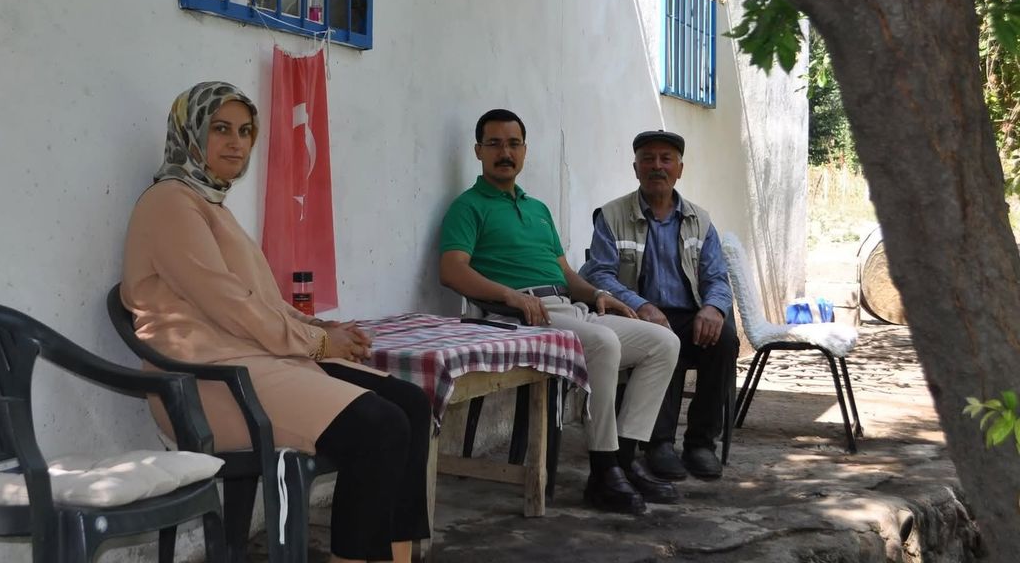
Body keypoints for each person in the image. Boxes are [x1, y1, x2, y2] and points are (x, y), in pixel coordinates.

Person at [121, 81, 430, 563]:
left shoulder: (212, 205)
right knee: (379, 427)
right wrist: (316, 345)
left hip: (254, 362)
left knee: (409, 402)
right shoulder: (170, 203)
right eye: (220, 129)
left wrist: (322, 333)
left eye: (245, 131)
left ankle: (399, 557)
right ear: (190, 133)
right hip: (206, 382)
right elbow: (230, 305)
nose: (236, 142)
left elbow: (259, 298)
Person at [438, 109, 682, 516]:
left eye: (513, 144)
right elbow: (451, 270)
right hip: (516, 316)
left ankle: (624, 460)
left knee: (663, 341)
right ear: (478, 151)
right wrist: (511, 296)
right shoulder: (468, 207)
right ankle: (603, 470)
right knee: (603, 343)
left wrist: (603, 294)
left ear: (524, 151)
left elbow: (567, 274)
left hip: (567, 309)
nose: (505, 152)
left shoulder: (537, 209)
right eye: (495, 144)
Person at [578, 130, 737, 482]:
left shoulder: (701, 219)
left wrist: (713, 307)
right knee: (661, 338)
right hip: (637, 313)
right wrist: (641, 305)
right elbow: (600, 274)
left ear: (680, 168)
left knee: (724, 340)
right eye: (648, 159)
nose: (657, 167)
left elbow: (717, 277)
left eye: (666, 159)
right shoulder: (611, 215)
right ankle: (658, 443)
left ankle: (700, 443)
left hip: (690, 311)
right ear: (635, 168)